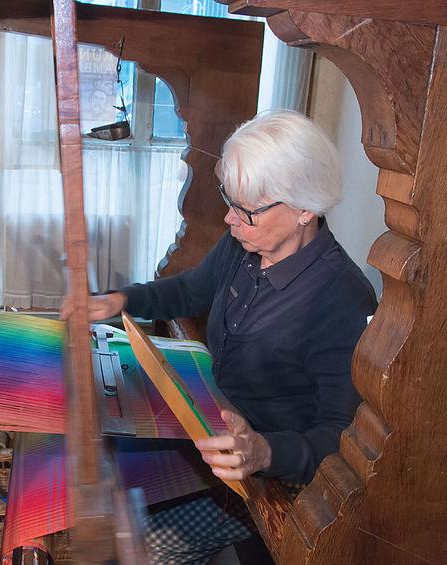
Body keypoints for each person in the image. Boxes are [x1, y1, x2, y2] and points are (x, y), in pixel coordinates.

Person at [65, 110, 377, 563]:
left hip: (265, 479)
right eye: (228, 200)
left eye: (246, 209)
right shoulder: (245, 243)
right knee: (100, 460)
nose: (230, 219)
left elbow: (338, 440)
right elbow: (191, 289)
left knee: (126, 544)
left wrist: (263, 451)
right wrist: (121, 301)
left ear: (304, 209)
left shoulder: (342, 299)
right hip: (209, 426)